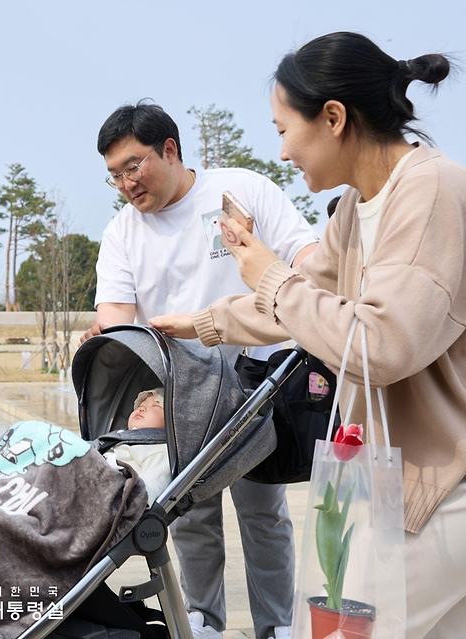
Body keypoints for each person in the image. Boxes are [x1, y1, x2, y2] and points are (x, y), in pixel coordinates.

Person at [150, 32, 465, 639]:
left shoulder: (430, 191)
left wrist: (267, 273)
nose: (284, 151)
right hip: (387, 480)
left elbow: (383, 344)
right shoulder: (357, 207)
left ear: (334, 118)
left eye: (282, 129)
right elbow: (299, 302)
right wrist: (203, 324)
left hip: (439, 487)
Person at [83, 101, 318, 639]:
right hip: (178, 389)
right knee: (188, 514)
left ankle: (278, 625)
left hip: (258, 381)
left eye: (133, 166)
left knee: (263, 511)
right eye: (114, 175)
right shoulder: (122, 232)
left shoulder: (240, 190)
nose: (125, 183)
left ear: (170, 149)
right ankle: (204, 620)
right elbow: (116, 317)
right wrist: (104, 334)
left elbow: (305, 254)